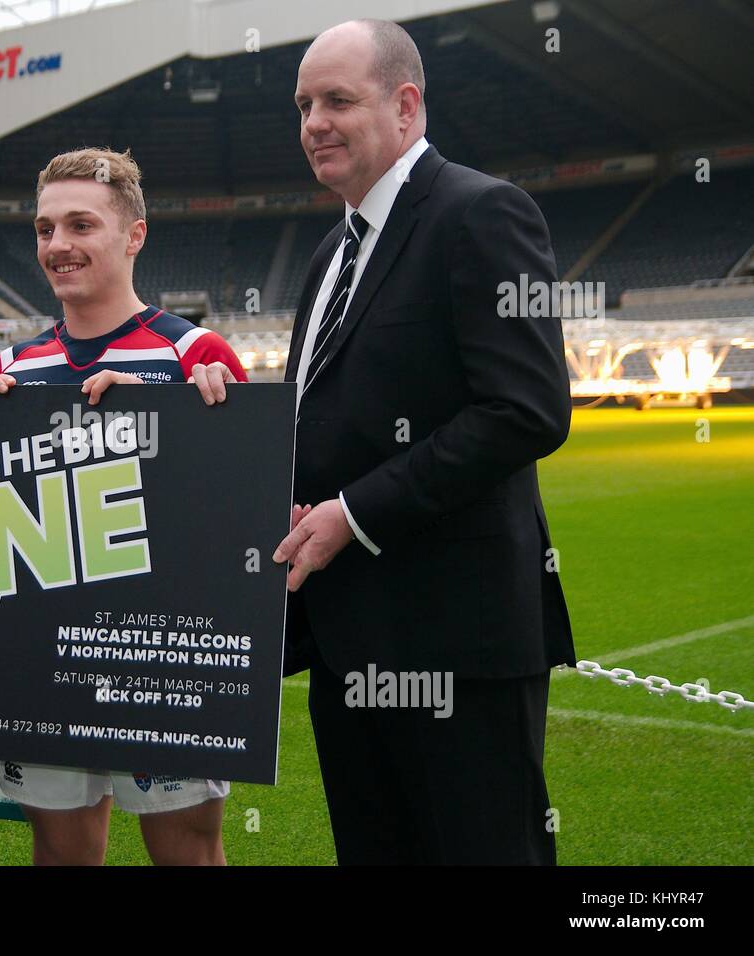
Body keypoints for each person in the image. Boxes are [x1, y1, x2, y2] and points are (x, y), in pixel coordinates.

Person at [271, 19, 576, 864]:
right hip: (345, 643)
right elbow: (319, 421)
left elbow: (528, 409)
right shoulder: (329, 252)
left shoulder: (483, 212)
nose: (314, 123)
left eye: (338, 100)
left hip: (457, 646)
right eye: (303, 106)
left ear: (406, 106)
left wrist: (352, 514)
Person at [0, 147, 247, 865]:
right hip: (45, 662)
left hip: (160, 658)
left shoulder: (196, 355)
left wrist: (178, 424)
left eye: (80, 225)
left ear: (134, 235)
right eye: (44, 229)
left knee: (189, 853)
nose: (58, 246)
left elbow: (248, 517)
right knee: (62, 854)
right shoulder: (10, 371)